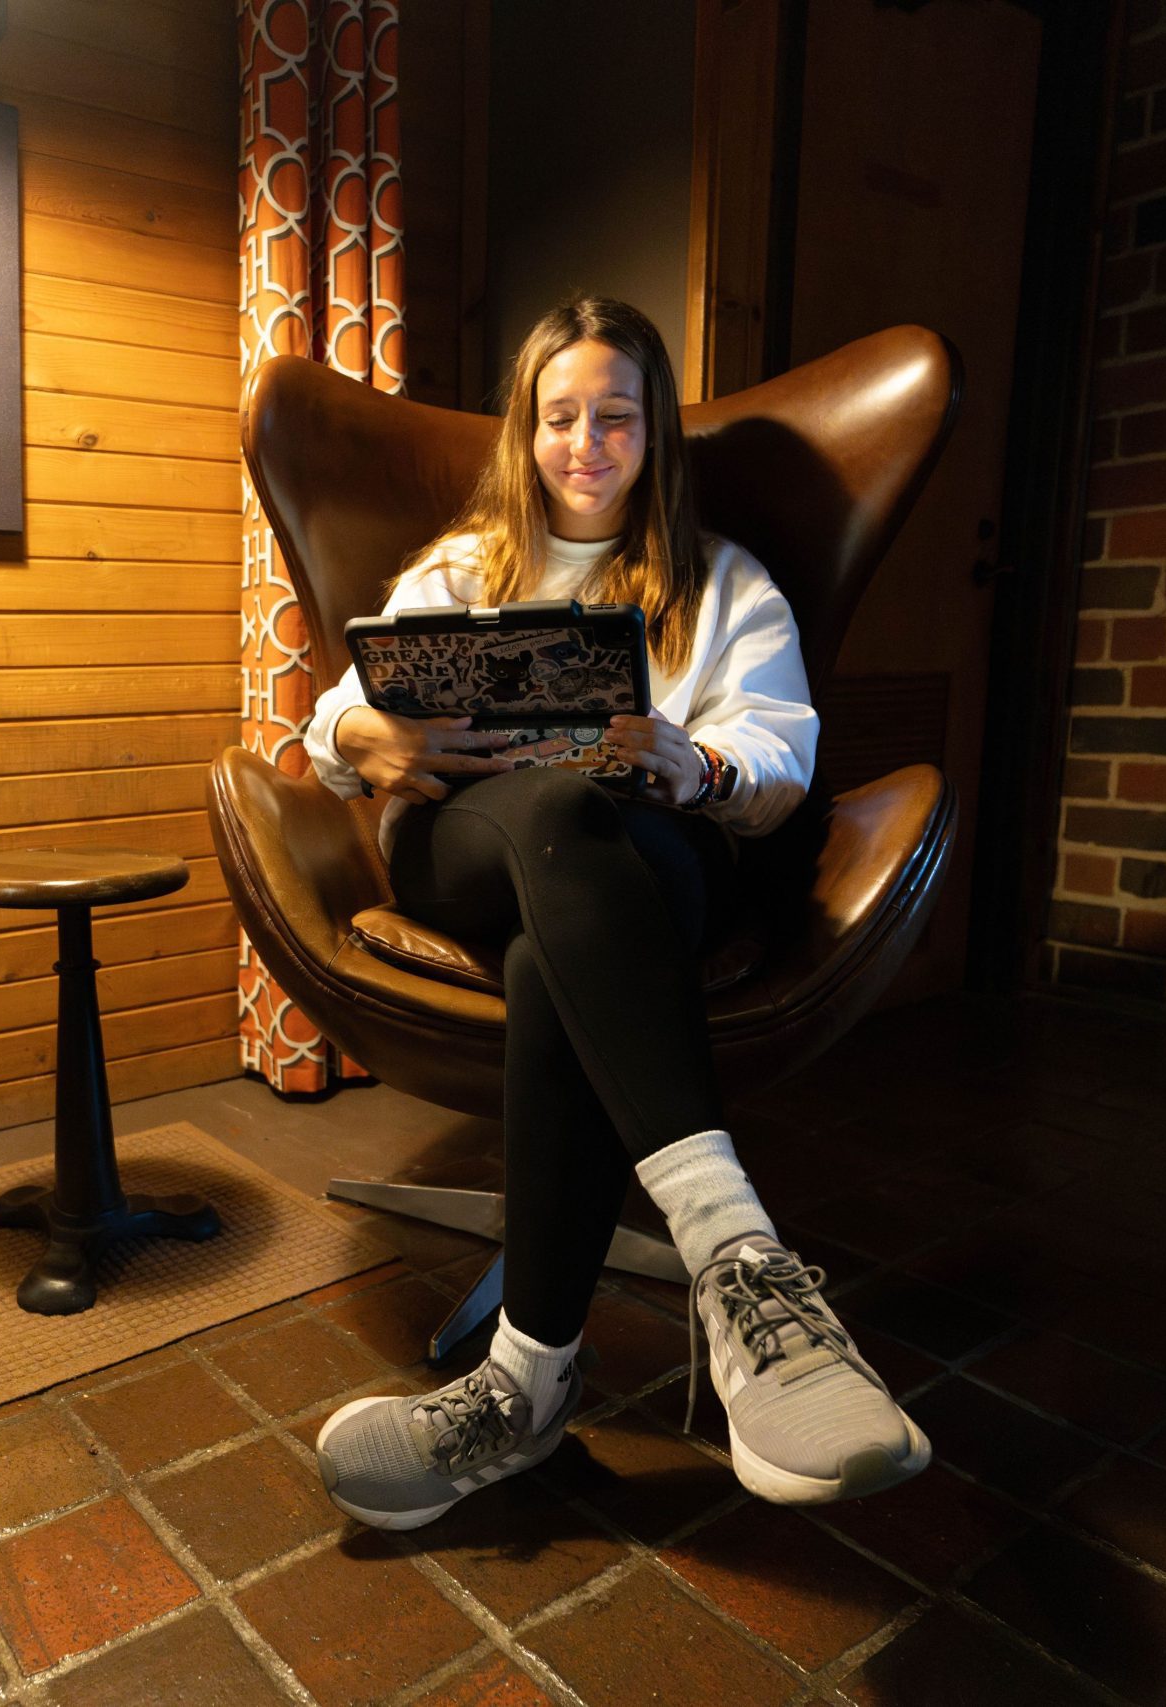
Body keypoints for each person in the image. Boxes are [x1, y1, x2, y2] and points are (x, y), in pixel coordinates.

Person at [299, 294, 928, 1528]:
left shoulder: (723, 586)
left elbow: (776, 756)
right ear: (525, 436)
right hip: (465, 841)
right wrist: (363, 732)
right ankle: (744, 1269)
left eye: (616, 418)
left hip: (648, 861)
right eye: (560, 418)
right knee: (549, 811)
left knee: (561, 934)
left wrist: (690, 762)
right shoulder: (461, 570)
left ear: (656, 436)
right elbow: (333, 718)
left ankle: (524, 1389)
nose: (585, 444)